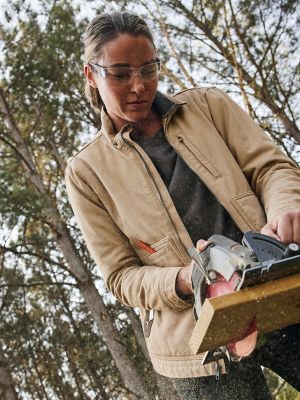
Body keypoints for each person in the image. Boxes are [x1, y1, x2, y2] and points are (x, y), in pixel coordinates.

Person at [65, 11, 300, 399]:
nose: (139, 86)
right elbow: (121, 277)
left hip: (277, 285)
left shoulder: (209, 106)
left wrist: (285, 207)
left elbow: (272, 168)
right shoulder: (85, 172)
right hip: (196, 345)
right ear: (92, 74)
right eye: (121, 74)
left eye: (148, 69)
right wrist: (186, 279)